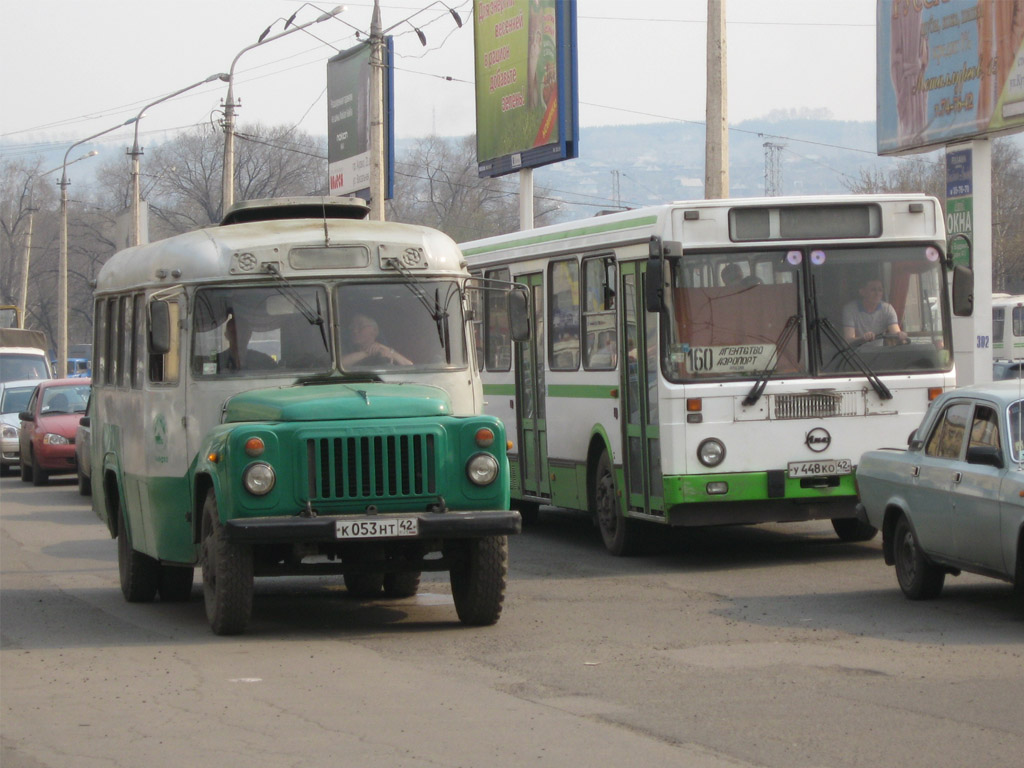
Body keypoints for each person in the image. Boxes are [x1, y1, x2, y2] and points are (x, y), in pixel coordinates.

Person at [842, 279, 908, 345]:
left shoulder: (887, 309)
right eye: (873, 290)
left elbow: (895, 333)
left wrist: (900, 335)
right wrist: (863, 338)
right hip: (856, 353)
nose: (877, 294)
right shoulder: (850, 309)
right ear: (862, 292)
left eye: (880, 290)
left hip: (878, 353)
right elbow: (848, 340)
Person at [342, 314, 413, 367]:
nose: (354, 330)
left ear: (375, 331)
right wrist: (366, 352)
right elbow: (340, 365)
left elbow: (409, 366)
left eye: (361, 326)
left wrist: (389, 351)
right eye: (352, 326)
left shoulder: (385, 351)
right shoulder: (345, 348)